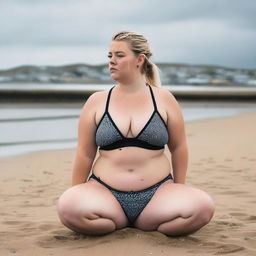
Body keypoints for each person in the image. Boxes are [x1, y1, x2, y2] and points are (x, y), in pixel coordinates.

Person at [57, 31, 215, 236]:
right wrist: (77, 193)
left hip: (158, 193)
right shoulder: (96, 101)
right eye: (109, 56)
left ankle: (140, 222)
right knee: (67, 207)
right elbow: (84, 153)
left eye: (119, 55)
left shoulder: (164, 99)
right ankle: (123, 223)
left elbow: (179, 148)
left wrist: (179, 188)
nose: (111, 61)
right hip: (105, 193)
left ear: (140, 59)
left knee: (203, 208)